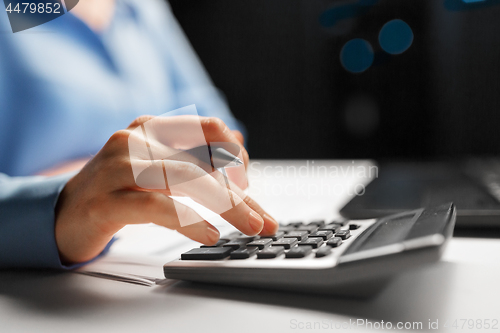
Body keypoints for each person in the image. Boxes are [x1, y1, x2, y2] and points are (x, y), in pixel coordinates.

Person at [0, 0, 278, 268]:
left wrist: (155, 171)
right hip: (39, 276)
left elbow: (224, 137)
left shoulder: (145, 7)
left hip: (162, 240)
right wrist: (62, 202)